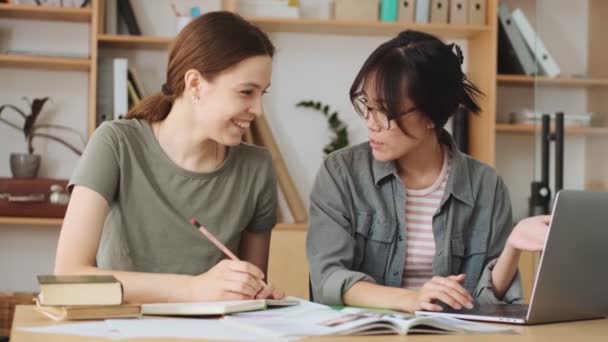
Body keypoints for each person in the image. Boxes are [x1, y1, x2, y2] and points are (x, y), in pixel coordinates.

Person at [306, 30, 550, 313]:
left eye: (385, 112)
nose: (371, 122)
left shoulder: (485, 184)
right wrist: (412, 299)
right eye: (367, 105)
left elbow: (488, 303)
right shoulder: (342, 173)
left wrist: (513, 248)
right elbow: (328, 279)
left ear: (432, 116)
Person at [54, 12, 284, 303]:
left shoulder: (256, 168)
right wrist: (193, 289)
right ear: (195, 83)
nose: (258, 110)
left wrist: (256, 292)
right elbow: (68, 275)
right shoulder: (116, 143)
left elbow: (247, 290)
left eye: (262, 93)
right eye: (246, 92)